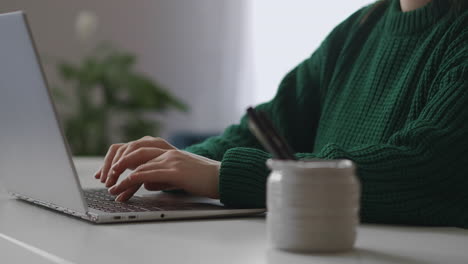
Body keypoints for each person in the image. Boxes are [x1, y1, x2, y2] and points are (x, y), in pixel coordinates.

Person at [95, 0, 468, 228]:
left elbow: (426, 170)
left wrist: (224, 176)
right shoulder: (359, 28)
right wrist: (183, 162)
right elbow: (267, 127)